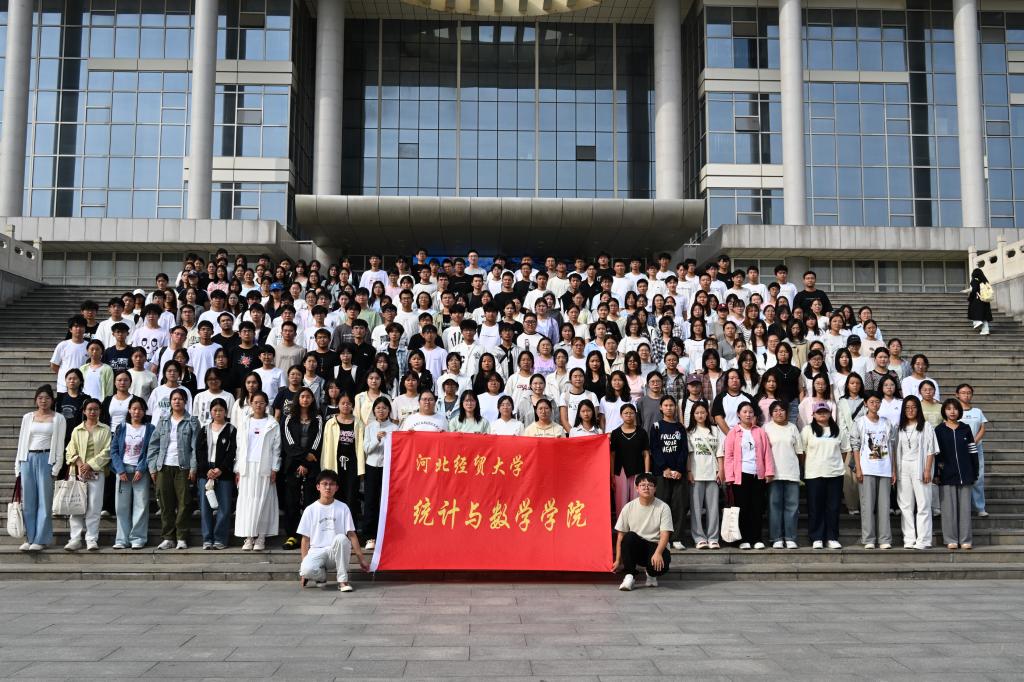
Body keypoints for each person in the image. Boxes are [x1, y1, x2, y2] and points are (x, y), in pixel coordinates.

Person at [14, 386, 67, 551]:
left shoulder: (58, 418)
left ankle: (41, 539)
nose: (43, 401)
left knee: (45, 500)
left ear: (52, 400)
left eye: (47, 398)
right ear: (36, 400)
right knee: (28, 501)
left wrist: (56, 467)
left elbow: (60, 444)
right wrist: (18, 465)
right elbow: (22, 442)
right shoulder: (27, 417)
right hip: (27, 459)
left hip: (46, 459)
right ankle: (29, 538)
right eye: (40, 398)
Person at [298, 470, 370, 592]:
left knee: (341, 538)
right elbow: (305, 540)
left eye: (331, 484)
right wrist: (304, 567)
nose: (328, 487)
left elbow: (351, 534)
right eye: (324, 484)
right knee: (305, 570)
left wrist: (361, 558)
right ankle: (321, 577)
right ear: (318, 487)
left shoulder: (343, 508)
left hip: (336, 552)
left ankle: (343, 581)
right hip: (317, 551)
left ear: (336, 488)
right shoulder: (310, 510)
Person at [147, 388, 199, 550]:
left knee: (184, 503)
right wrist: (153, 467)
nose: (177, 401)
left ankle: (181, 537)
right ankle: (168, 537)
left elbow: (195, 447)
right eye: (174, 399)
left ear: (185, 402)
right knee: (165, 503)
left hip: (183, 467)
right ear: (170, 402)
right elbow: (153, 445)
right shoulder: (163, 421)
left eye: (180, 399)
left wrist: (193, 467)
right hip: (164, 466)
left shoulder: (192, 422)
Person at [722, 402, 775, 550]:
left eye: (750, 412)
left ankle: (756, 538)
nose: (748, 414)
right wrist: (730, 477)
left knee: (757, 508)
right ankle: (743, 539)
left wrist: (769, 472)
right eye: (744, 411)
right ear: (738, 414)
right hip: (740, 476)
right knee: (742, 508)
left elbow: (767, 453)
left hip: (758, 475)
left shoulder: (760, 432)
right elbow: (729, 456)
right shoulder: (733, 433)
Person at [234, 391, 281, 551]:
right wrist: (238, 469)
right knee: (248, 502)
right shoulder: (244, 422)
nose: (258, 405)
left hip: (264, 467)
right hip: (247, 468)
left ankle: (261, 537)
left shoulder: (272, 424)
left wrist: (274, 468)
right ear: (251, 403)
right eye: (256, 402)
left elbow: (276, 449)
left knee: (263, 501)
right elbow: (239, 447)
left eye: (262, 402)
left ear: (266, 404)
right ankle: (249, 537)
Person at [63, 399, 111, 552]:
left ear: (100, 411)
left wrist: (90, 465)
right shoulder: (77, 430)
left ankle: (91, 539)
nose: (92, 412)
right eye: (89, 409)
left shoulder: (105, 430)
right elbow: (70, 450)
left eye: (96, 409)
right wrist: (79, 464)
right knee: (76, 506)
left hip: (97, 472)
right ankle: (75, 539)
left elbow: (107, 451)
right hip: (78, 473)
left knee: (94, 507)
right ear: (84, 411)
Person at [611, 473, 673, 591]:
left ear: (655, 488)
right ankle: (629, 575)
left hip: (655, 546)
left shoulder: (663, 507)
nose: (646, 487)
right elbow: (620, 536)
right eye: (642, 485)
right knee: (629, 537)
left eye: (650, 485)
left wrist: (658, 553)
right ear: (637, 488)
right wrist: (618, 560)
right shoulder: (628, 507)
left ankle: (651, 573)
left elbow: (665, 535)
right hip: (637, 546)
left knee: (659, 568)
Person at [280, 388, 325, 550]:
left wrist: (306, 463)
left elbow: (318, 441)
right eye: (302, 396)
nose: (305, 399)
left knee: (310, 501)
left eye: (308, 397)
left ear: (312, 399)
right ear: (297, 399)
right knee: (291, 501)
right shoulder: (288, 418)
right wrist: (304, 458)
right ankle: (292, 535)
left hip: (312, 465)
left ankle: (309, 536)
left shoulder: (318, 418)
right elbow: (289, 443)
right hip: (292, 464)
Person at [802, 399, 850, 549]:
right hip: (814, 474)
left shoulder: (838, 430)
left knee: (833, 507)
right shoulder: (807, 430)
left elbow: (844, 451)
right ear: (813, 414)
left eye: (825, 411)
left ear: (830, 413)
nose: (822, 414)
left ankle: (832, 537)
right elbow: (802, 451)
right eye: (819, 412)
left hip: (835, 474)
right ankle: (816, 537)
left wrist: (835, 464)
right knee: (815, 507)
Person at [851, 391, 897, 549]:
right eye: (871, 402)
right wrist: (858, 468)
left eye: (877, 402)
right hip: (867, 469)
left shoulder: (886, 423)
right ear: (865, 403)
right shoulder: (860, 422)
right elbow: (855, 446)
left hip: (885, 468)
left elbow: (892, 447)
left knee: (884, 506)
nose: (875, 405)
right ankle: (869, 538)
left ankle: (884, 539)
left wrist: (893, 470)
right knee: (867, 506)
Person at [935, 398, 980, 550]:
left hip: (965, 474)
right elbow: (936, 454)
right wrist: (937, 473)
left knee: (965, 509)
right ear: (944, 411)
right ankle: (951, 539)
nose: (952, 411)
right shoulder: (939, 430)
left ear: (959, 411)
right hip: (946, 475)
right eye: (948, 409)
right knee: (948, 509)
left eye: (955, 408)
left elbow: (972, 450)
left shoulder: (965, 428)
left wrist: (975, 471)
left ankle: (965, 539)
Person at [109, 397, 154, 550]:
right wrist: (120, 469)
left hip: (140, 471)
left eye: (140, 409)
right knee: (121, 507)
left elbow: (150, 451)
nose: (137, 412)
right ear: (129, 410)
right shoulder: (121, 427)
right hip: (123, 470)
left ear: (144, 411)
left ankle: (138, 538)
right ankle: (122, 539)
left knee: (141, 505)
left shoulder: (150, 428)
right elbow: (114, 450)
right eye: (134, 408)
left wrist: (141, 468)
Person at [896, 396, 938, 550]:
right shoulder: (899, 427)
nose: (910, 410)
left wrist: (927, 469)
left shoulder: (926, 426)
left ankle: (924, 539)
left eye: (913, 407)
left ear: (918, 409)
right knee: (905, 505)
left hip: (920, 467)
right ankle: (909, 539)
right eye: (907, 407)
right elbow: (895, 451)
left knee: (923, 504)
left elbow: (931, 450)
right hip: (903, 467)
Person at [195, 398, 236, 550]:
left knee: (224, 507)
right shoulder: (204, 429)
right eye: (215, 410)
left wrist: (221, 469)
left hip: (224, 473)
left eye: (221, 410)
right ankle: (207, 538)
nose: (218, 413)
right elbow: (199, 451)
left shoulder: (231, 430)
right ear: (210, 412)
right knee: (205, 507)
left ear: (226, 412)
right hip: (205, 472)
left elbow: (233, 452)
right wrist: (206, 469)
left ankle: (220, 538)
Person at [649, 396, 688, 550]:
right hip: (661, 473)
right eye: (666, 405)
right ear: (661, 407)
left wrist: (679, 469)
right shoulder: (656, 426)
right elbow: (655, 449)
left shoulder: (680, 427)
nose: (669, 408)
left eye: (671, 405)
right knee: (662, 506)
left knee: (679, 506)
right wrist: (664, 468)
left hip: (678, 473)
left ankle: (677, 538)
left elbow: (684, 450)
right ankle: (664, 539)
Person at [764, 401, 803, 549]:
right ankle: (776, 538)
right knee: (774, 506)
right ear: (771, 414)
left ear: (787, 412)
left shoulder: (792, 428)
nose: (779, 413)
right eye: (775, 410)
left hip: (791, 472)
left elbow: (799, 452)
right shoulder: (766, 428)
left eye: (781, 410)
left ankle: (790, 537)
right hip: (773, 474)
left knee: (792, 507)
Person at [686, 401, 723, 549]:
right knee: (696, 508)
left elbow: (720, 452)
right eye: (697, 413)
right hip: (696, 473)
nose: (700, 415)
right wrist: (689, 471)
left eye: (702, 412)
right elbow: (689, 454)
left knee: (713, 508)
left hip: (713, 473)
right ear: (693, 415)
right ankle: (699, 537)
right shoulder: (689, 432)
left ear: (707, 413)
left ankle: (713, 537)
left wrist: (721, 470)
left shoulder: (715, 429)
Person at [361, 397, 397, 548]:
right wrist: (377, 439)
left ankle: (388, 535)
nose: (381, 411)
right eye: (378, 408)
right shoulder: (370, 427)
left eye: (384, 408)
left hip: (389, 468)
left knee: (388, 501)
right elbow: (366, 449)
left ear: (389, 410)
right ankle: (370, 537)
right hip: (372, 467)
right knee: (371, 501)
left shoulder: (395, 428)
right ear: (374, 411)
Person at [321, 393, 361, 523]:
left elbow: (361, 448)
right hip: (335, 465)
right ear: (338, 404)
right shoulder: (330, 423)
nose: (345, 406)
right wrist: (325, 467)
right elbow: (326, 446)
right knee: (335, 496)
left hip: (352, 466)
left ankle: (350, 528)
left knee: (351, 497)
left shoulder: (359, 423)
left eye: (348, 403)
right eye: (343, 403)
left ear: (352, 406)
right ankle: (334, 525)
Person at [955, 383, 989, 517]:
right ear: (957, 395)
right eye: (963, 393)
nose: (966, 395)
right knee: (960, 477)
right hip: (958, 448)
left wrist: (973, 441)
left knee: (978, 477)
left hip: (975, 448)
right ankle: (962, 507)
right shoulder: (954, 411)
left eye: (969, 393)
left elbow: (982, 428)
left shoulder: (977, 411)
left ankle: (979, 507)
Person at [966, 268, 992, 335]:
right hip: (985, 300)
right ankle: (986, 330)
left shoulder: (975, 280)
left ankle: (977, 322)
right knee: (984, 316)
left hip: (977, 300)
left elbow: (974, 290)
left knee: (974, 311)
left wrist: (970, 298)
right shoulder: (984, 281)